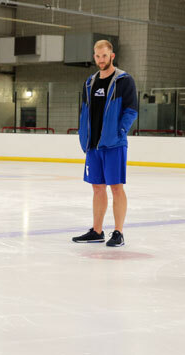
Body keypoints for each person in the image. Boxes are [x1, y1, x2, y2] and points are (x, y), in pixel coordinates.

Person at [72, 39, 137, 247]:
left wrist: (119, 131)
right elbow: (84, 112)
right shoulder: (90, 82)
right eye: (97, 56)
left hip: (114, 144)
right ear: (94, 57)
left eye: (104, 56)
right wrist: (84, 135)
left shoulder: (124, 80)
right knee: (97, 188)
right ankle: (97, 231)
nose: (101, 60)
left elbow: (131, 110)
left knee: (116, 187)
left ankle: (118, 232)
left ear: (112, 56)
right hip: (93, 146)